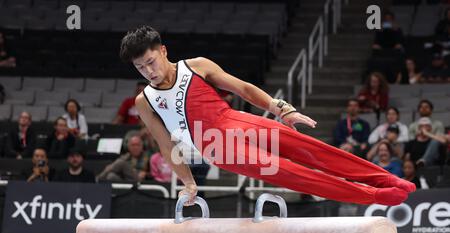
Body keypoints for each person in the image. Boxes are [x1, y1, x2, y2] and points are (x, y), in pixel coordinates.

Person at [119, 26, 416, 206]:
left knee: (312, 151)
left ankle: (386, 179)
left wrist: (281, 109)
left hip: (236, 119)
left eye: (150, 62)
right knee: (293, 173)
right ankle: (372, 196)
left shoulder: (196, 65)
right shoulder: (146, 101)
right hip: (217, 147)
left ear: (163, 51)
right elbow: (166, 146)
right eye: (140, 68)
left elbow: (245, 89)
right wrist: (188, 182)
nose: (149, 72)